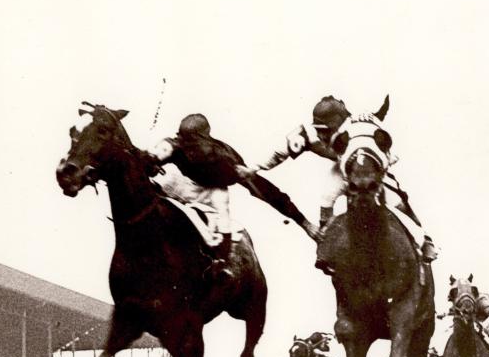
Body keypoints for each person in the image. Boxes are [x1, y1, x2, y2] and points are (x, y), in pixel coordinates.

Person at [242, 96, 437, 261]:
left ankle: (424, 238)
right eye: (318, 129)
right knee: (326, 196)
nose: (321, 135)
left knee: (396, 200)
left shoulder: (360, 127)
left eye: (326, 130)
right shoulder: (309, 134)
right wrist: (255, 167)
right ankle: (327, 246)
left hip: (368, 169)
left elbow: (385, 150)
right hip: (342, 168)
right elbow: (281, 151)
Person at [145, 113, 321, 277]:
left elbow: (267, 191)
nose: (187, 144)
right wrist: (149, 161)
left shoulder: (223, 158)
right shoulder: (172, 146)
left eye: (191, 140)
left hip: (211, 193)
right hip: (182, 186)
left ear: (204, 138)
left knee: (221, 203)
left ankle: (222, 262)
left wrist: (303, 222)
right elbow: (149, 157)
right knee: (162, 182)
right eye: (184, 139)